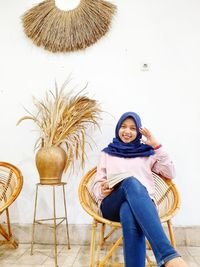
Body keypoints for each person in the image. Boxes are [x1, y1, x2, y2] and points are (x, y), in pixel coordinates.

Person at [92, 112, 188, 267]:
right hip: (111, 204)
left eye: (132, 128)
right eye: (123, 127)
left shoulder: (147, 153)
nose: (127, 131)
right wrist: (102, 189)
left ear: (138, 132)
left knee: (129, 210)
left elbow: (170, 173)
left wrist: (156, 146)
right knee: (131, 182)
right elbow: (97, 185)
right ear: (118, 129)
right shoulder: (107, 153)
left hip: (141, 206)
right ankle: (168, 256)